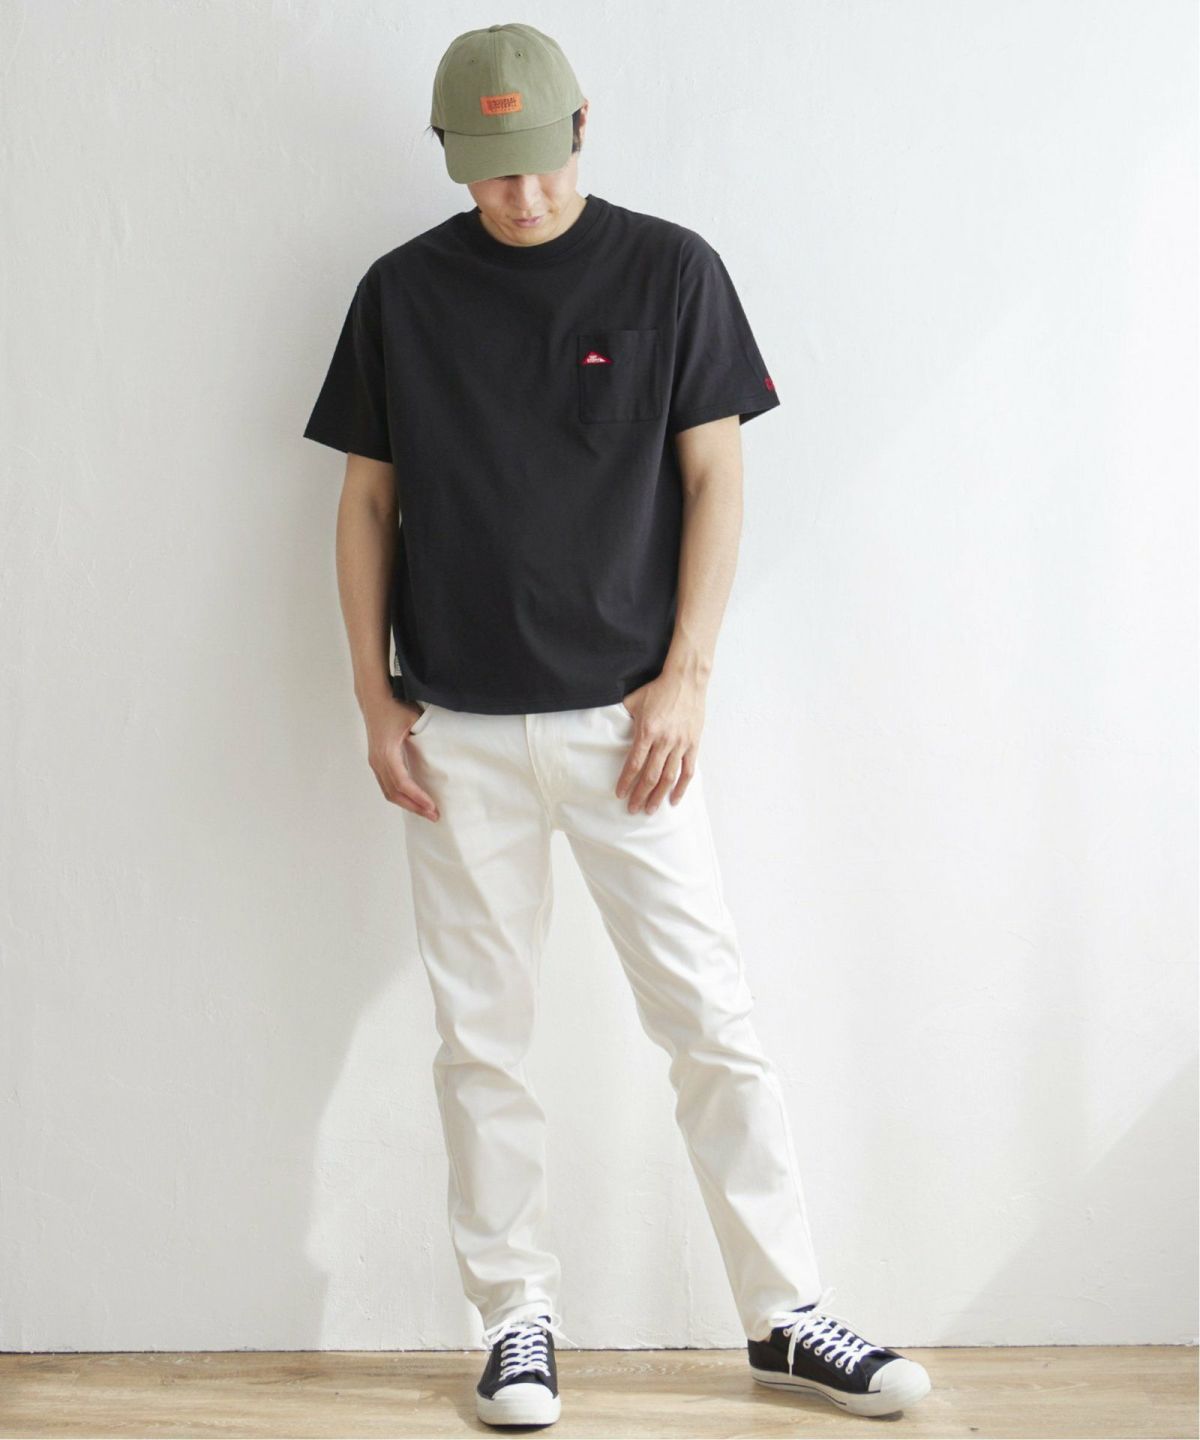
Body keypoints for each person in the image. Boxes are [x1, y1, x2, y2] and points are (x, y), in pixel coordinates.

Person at [302, 21, 931, 1429]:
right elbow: (365, 501)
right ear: (452, 157)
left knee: (711, 1022)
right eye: (490, 171)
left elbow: (716, 478)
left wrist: (687, 676)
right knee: (482, 1043)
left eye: (539, 163)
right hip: (457, 732)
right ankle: (515, 1320)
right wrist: (369, 693)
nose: (519, 195)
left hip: (629, 733)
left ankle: (786, 1313)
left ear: (582, 128)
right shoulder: (402, 292)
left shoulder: (669, 271)